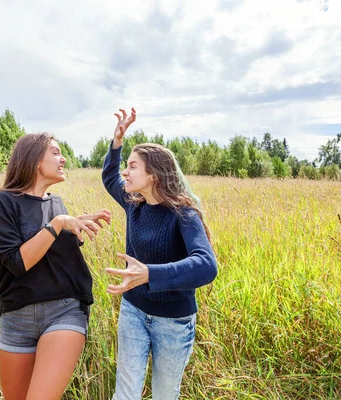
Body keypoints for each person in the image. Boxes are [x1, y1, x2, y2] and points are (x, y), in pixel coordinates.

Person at [0, 132, 111, 400]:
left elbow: (53, 252)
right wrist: (59, 224)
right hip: (16, 317)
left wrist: (75, 225)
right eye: (55, 152)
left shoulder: (56, 204)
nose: (63, 159)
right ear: (33, 159)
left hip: (63, 312)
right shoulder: (1, 202)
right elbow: (18, 263)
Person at [102, 108, 218, 399]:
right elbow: (108, 177)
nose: (125, 172)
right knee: (125, 393)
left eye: (132, 166)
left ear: (152, 174)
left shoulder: (184, 214)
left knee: (164, 395)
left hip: (174, 322)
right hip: (133, 312)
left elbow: (206, 266)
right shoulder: (133, 203)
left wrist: (149, 274)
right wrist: (117, 142)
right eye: (126, 166)